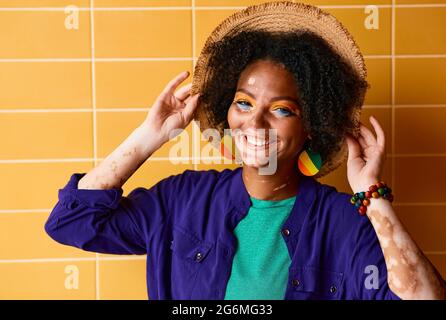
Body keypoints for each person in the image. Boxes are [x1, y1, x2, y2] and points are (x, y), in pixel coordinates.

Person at [45, 1, 446, 300]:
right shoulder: (181, 200)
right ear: (227, 109)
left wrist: (372, 195)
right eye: (243, 103)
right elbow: (71, 222)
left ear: (312, 124)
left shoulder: (342, 220)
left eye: (282, 110)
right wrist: (151, 135)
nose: (254, 124)